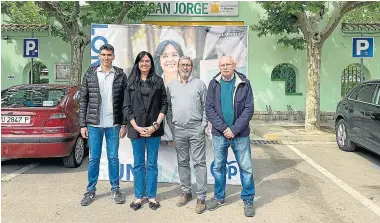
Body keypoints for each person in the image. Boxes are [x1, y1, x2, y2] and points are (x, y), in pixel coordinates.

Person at [205, 56, 255, 217]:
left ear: (234, 65)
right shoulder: (214, 84)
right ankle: (219, 197)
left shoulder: (244, 83)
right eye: (222, 65)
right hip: (220, 134)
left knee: (246, 168)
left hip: (240, 134)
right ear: (219, 67)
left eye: (228, 64)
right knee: (219, 167)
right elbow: (209, 109)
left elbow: (249, 109)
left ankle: (248, 199)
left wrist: (234, 129)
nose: (225, 67)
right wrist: (224, 128)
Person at [79, 44, 127, 206]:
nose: (106, 57)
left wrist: (124, 123)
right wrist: (82, 124)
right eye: (103, 54)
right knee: (94, 159)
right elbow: (83, 100)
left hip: (113, 124)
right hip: (94, 124)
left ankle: (115, 189)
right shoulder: (90, 74)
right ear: (99, 56)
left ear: (113, 57)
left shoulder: (120, 75)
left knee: (113, 158)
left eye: (109, 55)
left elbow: (124, 102)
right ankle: (90, 191)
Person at [123, 51, 168, 211]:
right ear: (137, 63)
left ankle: (152, 196)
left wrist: (155, 125)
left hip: (153, 129)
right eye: (141, 61)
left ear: (151, 63)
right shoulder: (130, 82)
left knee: (152, 164)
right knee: (138, 164)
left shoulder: (158, 81)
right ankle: (138, 196)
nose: (144, 64)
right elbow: (126, 107)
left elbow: (164, 104)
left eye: (147, 61)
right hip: (136, 130)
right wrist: (136, 127)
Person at [166, 56, 208, 214]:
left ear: (192, 67)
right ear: (177, 67)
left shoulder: (199, 84)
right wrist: (171, 126)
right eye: (182, 65)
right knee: (182, 161)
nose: (185, 67)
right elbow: (168, 108)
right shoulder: (171, 86)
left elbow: (206, 106)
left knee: (199, 162)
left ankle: (201, 197)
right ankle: (186, 192)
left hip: (196, 128)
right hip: (179, 130)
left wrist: (203, 125)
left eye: (188, 65)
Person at [153, 40, 184, 144]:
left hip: (186, 146)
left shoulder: (193, 85)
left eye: (174, 55)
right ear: (159, 61)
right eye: (165, 56)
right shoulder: (151, 87)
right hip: (159, 147)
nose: (170, 60)